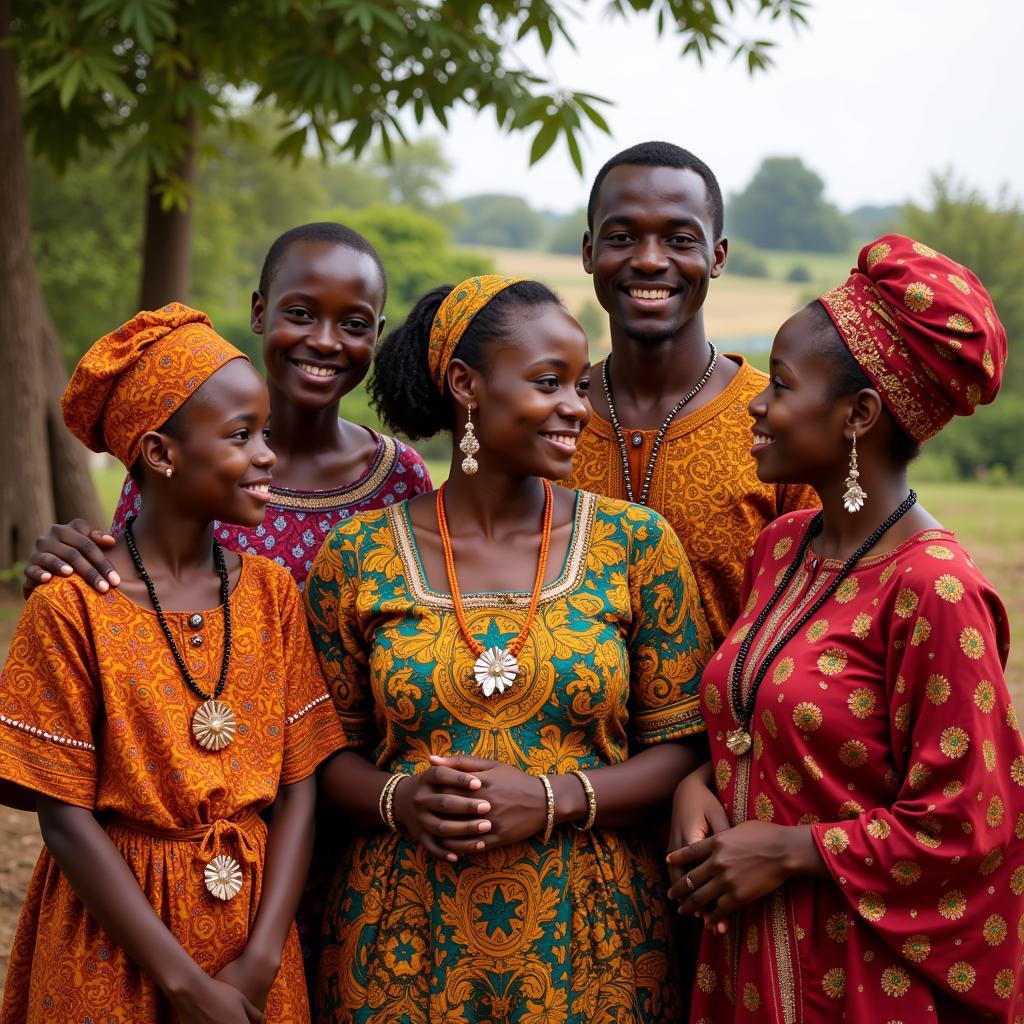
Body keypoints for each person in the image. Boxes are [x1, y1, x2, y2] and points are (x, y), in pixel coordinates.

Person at [303, 275, 715, 1022]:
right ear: (466, 385)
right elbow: (318, 755)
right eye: (548, 383)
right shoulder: (361, 554)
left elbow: (684, 743)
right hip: (399, 942)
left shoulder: (634, 544)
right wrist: (401, 799)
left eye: (580, 384)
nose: (575, 409)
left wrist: (553, 798)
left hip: (594, 942)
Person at [666, 236, 1024, 1022]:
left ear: (859, 414)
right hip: (743, 971)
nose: (757, 401)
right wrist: (701, 783)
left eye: (783, 385)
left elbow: (972, 825)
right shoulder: (783, 545)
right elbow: (757, 721)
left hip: (859, 984)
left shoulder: (934, 590)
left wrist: (793, 850)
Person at [0, 304, 346, 1023]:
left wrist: (257, 964)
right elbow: (63, 818)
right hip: (111, 942)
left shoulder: (271, 593)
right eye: (241, 436)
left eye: (267, 435)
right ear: (160, 453)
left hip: (252, 935)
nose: (266, 456)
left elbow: (300, 788)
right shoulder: (72, 607)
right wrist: (186, 988)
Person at [23, 221, 432, 595]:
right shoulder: (184, 459)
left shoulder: (400, 478)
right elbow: (127, 592)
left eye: (354, 324)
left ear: (377, 335)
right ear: (259, 312)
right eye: (301, 314)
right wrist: (72, 569)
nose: (325, 341)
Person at [564, 141, 818, 647]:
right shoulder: (547, 418)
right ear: (590, 252)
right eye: (622, 237)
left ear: (717, 256)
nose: (651, 261)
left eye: (680, 239)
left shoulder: (779, 423)